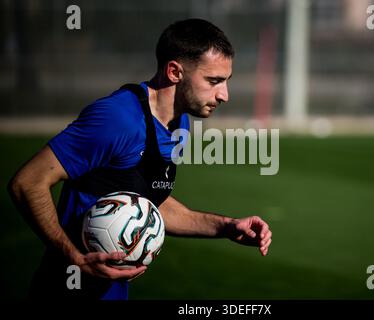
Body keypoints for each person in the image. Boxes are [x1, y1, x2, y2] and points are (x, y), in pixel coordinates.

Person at [8, 18, 272, 300]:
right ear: (174, 72)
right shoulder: (117, 118)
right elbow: (28, 182)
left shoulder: (179, 123)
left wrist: (228, 227)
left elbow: (147, 202)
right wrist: (73, 255)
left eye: (226, 81)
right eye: (214, 81)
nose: (225, 95)